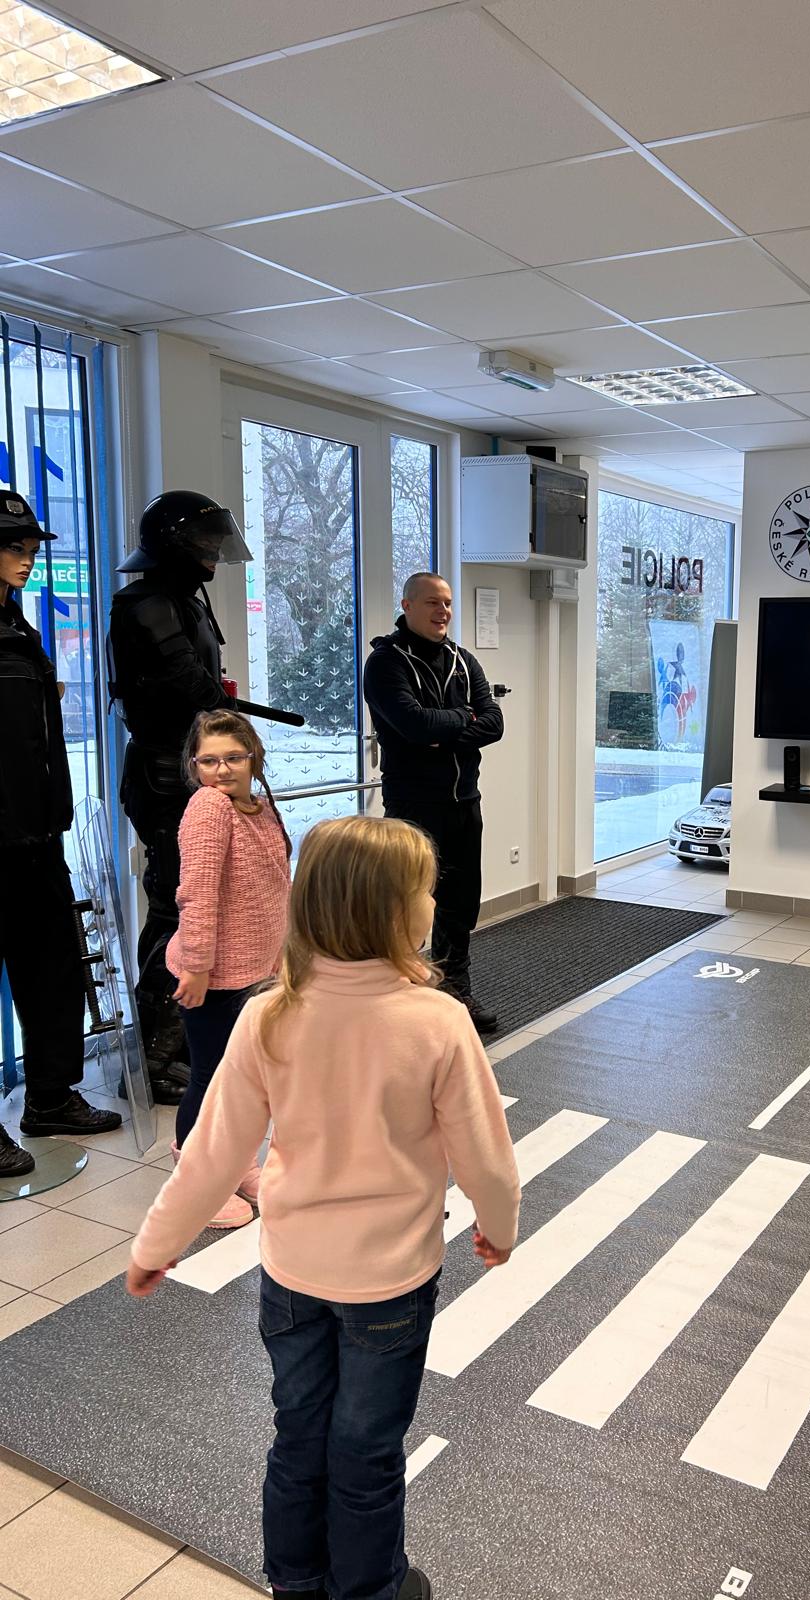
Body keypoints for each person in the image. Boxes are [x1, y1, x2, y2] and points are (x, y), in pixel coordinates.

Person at [127, 815, 520, 1600]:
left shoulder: (269, 1015)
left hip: (292, 1274)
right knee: (366, 1449)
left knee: (297, 1435)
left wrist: (155, 1246)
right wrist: (498, 1228)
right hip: (390, 1281)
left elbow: (212, 1154)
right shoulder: (437, 1021)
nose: (434, 903)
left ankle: (297, 1583)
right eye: (426, 891)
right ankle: (371, 1588)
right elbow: (486, 1157)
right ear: (395, 912)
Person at [108, 491, 249, 1104]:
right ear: (174, 545)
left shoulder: (181, 600)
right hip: (166, 776)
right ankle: (152, 1056)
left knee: (189, 905)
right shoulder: (144, 603)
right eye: (205, 541)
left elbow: (201, 687)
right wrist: (225, 711)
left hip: (187, 771)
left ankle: (181, 1039)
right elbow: (189, 684)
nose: (214, 552)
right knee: (174, 909)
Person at [0, 491, 121, 1175]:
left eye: (28, 548)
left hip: (38, 835)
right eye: (12, 547)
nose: (25, 559)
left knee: (53, 971)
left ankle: (50, 1096)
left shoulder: (18, 628)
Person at [363, 572, 504, 1033]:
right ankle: (395, 995)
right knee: (405, 902)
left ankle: (453, 990)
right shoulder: (386, 663)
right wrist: (463, 718)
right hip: (413, 807)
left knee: (459, 905)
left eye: (447, 603)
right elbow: (413, 725)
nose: (442, 612)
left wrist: (443, 731)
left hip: (464, 802)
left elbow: (494, 723)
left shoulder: (463, 661)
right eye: (432, 603)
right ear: (407, 605)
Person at [168, 710, 291, 1229]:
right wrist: (197, 967)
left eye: (233, 758)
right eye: (209, 760)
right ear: (194, 766)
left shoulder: (259, 807)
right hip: (214, 977)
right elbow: (196, 893)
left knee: (244, 1080)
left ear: (253, 758)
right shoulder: (209, 808)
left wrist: (284, 957)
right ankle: (196, 1175)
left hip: (256, 971)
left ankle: (235, 1164)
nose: (221, 770)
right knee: (212, 1077)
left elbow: (276, 888)